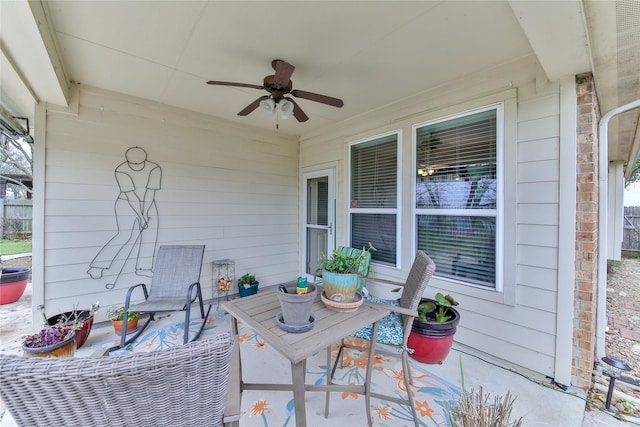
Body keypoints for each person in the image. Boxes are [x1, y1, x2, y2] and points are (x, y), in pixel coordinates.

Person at [87, 147, 161, 285]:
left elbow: (150, 193)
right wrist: (140, 215)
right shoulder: (121, 170)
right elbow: (130, 195)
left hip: (149, 204)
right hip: (125, 203)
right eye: (133, 164)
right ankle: (96, 267)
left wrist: (145, 214)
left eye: (139, 164)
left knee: (150, 234)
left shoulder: (154, 168)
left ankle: (143, 268)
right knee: (124, 235)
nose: (136, 166)